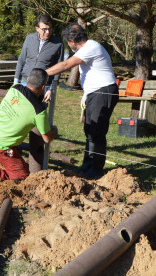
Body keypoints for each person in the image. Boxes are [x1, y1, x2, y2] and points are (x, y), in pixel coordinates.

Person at [45, 24, 118, 179]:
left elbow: (66, 64)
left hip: (103, 92)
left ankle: (96, 170)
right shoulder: (88, 47)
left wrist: (42, 74)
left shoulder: (91, 47)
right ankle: (87, 165)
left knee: (97, 131)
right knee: (90, 130)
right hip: (94, 93)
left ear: (71, 41)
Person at [0, 68, 58, 190]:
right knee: (21, 175)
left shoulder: (15, 88)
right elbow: (47, 138)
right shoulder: (39, 112)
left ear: (28, 79)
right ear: (43, 86)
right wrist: (54, 130)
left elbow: (25, 102)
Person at [14, 13, 65, 103]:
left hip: (44, 86)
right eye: (44, 29)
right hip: (25, 82)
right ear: (37, 28)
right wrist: (16, 81)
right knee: (21, 112)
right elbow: (21, 60)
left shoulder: (58, 44)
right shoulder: (29, 39)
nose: (48, 32)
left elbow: (59, 68)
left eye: (50, 28)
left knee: (39, 114)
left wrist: (51, 89)